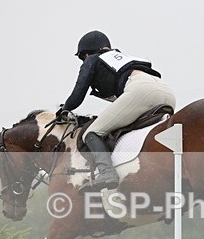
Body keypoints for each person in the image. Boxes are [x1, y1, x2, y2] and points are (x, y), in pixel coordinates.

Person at [58, 30, 175, 191]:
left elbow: (77, 96)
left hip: (141, 90)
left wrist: (65, 109)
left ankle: (107, 172)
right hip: (167, 93)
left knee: (92, 133)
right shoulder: (125, 59)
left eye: (82, 57)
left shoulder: (92, 59)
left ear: (86, 53)